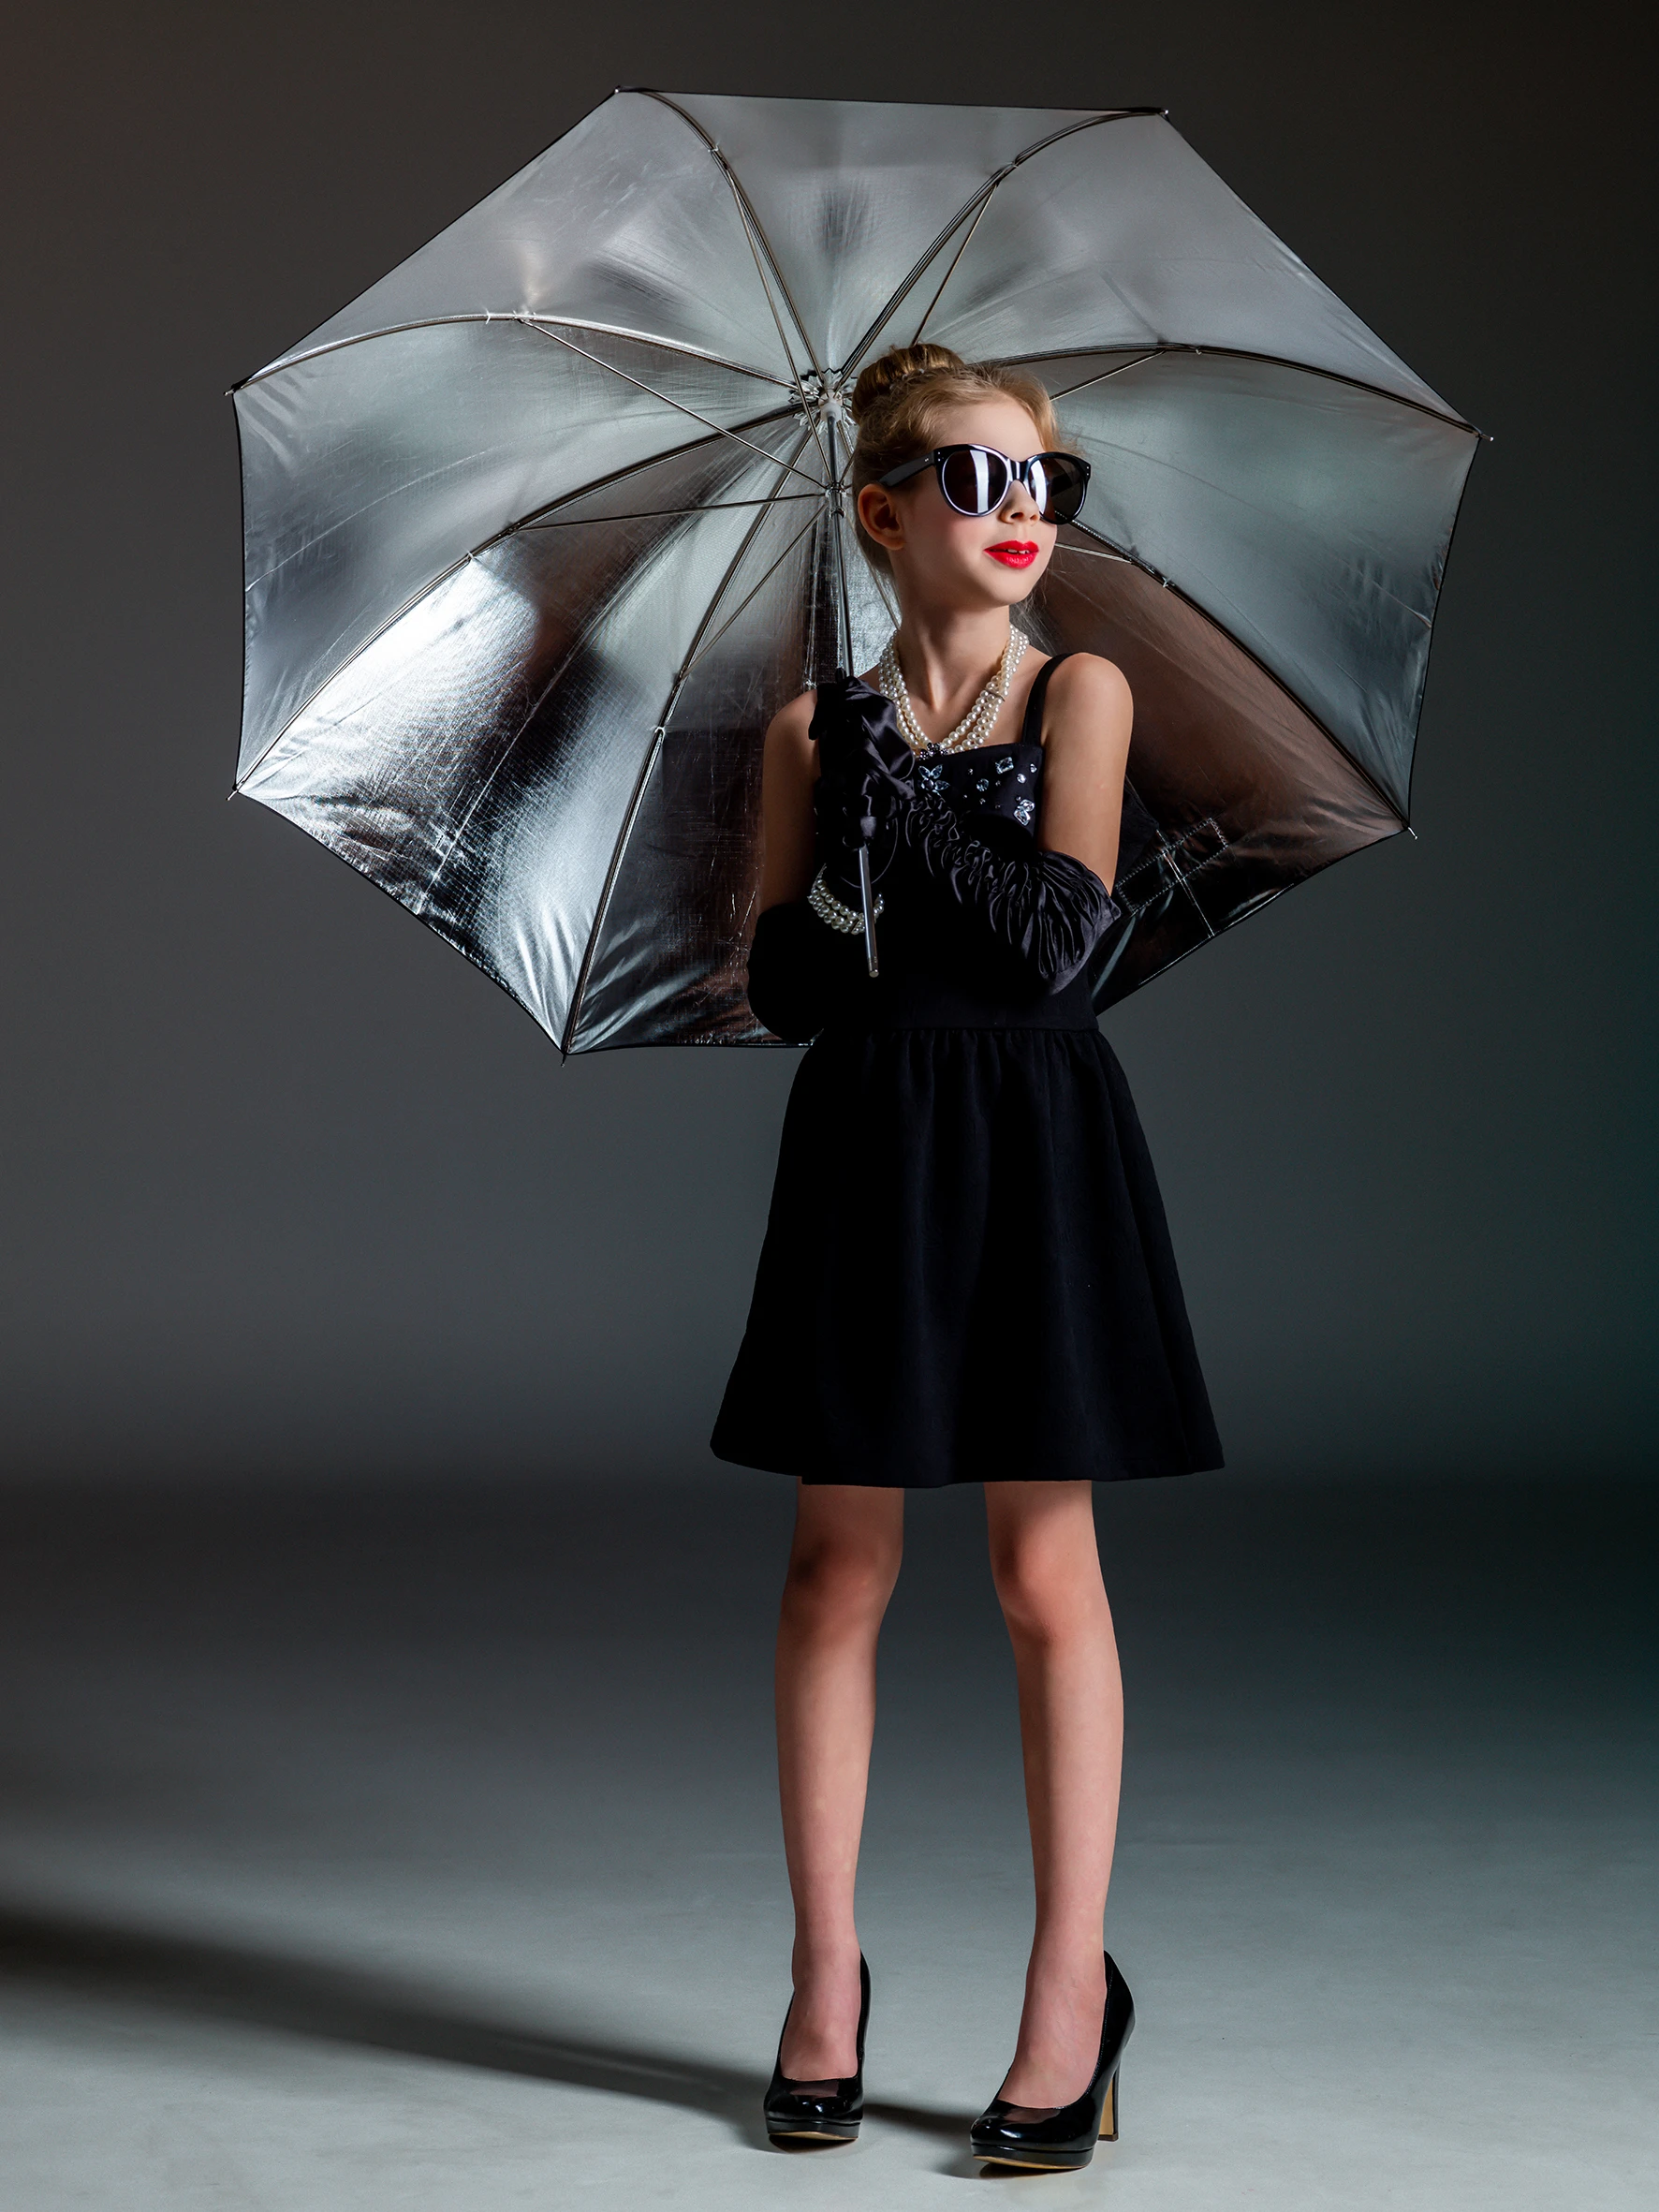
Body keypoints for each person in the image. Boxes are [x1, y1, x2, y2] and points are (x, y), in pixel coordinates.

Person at [709, 344, 1223, 2171]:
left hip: (1033, 1136)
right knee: (832, 1569)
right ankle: (824, 1977)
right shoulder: (806, 729)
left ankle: (1068, 1994)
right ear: (879, 511)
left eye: (1045, 487)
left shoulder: (1077, 691)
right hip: (870, 1146)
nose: (1020, 517)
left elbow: (1061, 951)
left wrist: (913, 797)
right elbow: (784, 990)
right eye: (974, 482)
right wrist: (843, 809)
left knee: (1036, 1568)